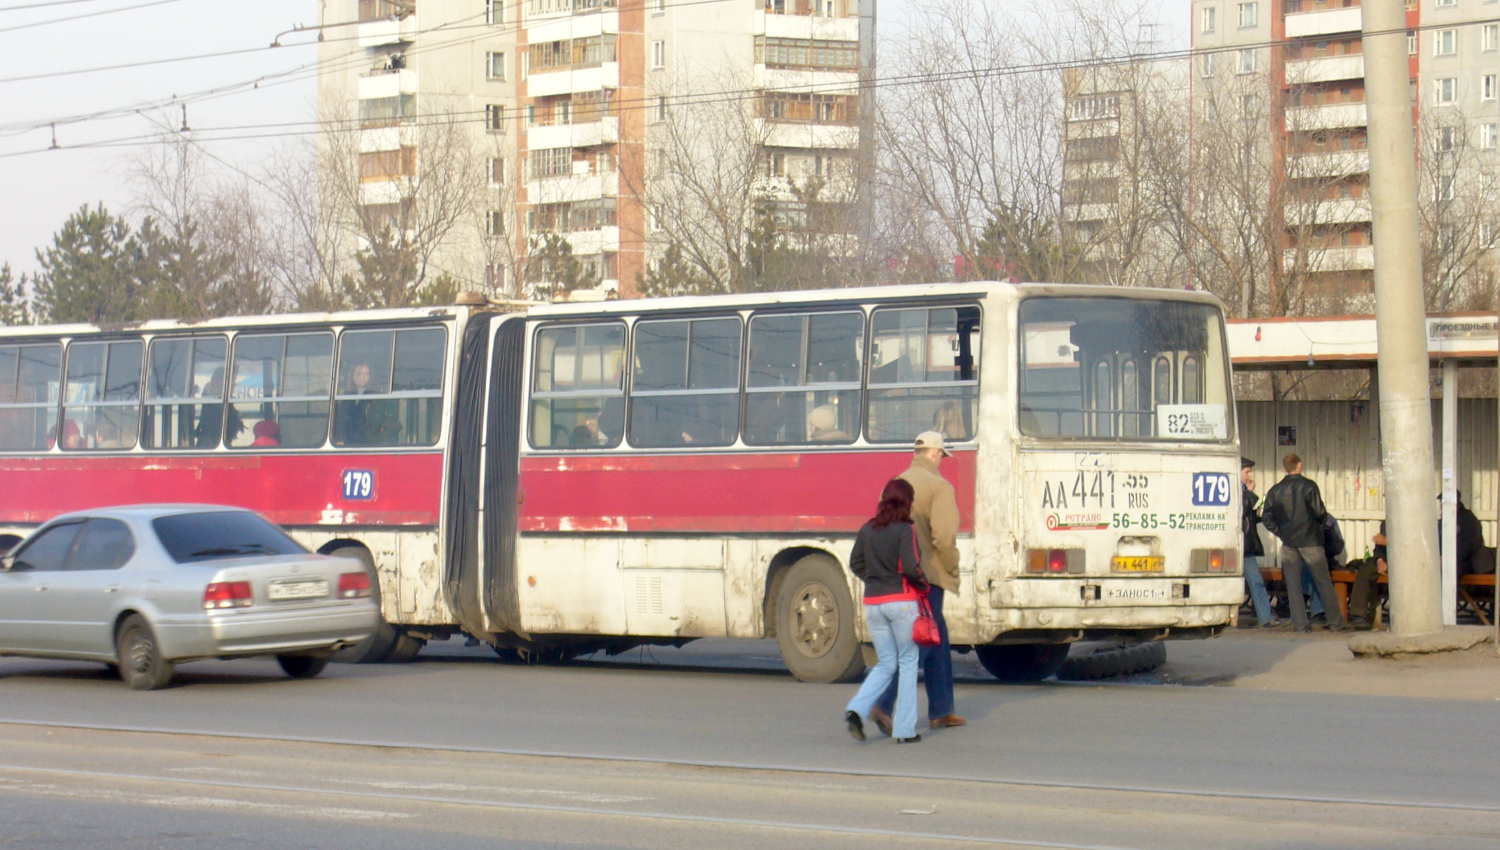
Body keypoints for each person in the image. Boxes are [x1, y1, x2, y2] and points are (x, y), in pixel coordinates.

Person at [871, 431, 966, 734]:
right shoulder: (940, 487)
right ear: (937, 454)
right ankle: (883, 704)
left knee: (937, 640)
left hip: (898, 576)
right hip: (928, 577)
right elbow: (944, 537)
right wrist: (952, 568)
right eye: (942, 455)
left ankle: (942, 709)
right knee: (921, 640)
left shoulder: (895, 483)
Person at [844, 478, 928, 744]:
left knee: (885, 663)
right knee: (907, 663)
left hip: (874, 604)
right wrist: (922, 584)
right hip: (901, 601)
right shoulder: (906, 530)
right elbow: (912, 567)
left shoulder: (868, 528)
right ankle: (904, 730)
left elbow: (855, 562)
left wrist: (873, 579)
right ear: (907, 502)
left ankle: (857, 708)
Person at [1262, 453, 1346, 632]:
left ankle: (1300, 624)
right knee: (1323, 583)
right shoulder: (1309, 487)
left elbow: (1266, 517)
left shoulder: (1275, 490)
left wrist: (1281, 533)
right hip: (1311, 541)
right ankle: (1336, 623)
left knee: (1293, 586)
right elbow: (1320, 513)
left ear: (1284, 468)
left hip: (1289, 543)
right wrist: (1318, 528)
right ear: (1299, 466)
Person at [1240, 457, 1283, 628]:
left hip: (1247, 545)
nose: (1250, 475)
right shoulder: (1234, 490)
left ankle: (1266, 617)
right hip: (1236, 545)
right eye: (1247, 472)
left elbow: (1249, 517)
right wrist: (1250, 493)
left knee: (1256, 580)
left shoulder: (1245, 492)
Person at [336, 362, 400, 446]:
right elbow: (341, 420)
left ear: (370, 376)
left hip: (367, 443)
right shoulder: (346, 397)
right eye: (358, 374)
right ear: (352, 376)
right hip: (348, 443)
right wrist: (341, 438)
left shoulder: (376, 397)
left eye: (366, 374)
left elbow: (375, 423)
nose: (362, 377)